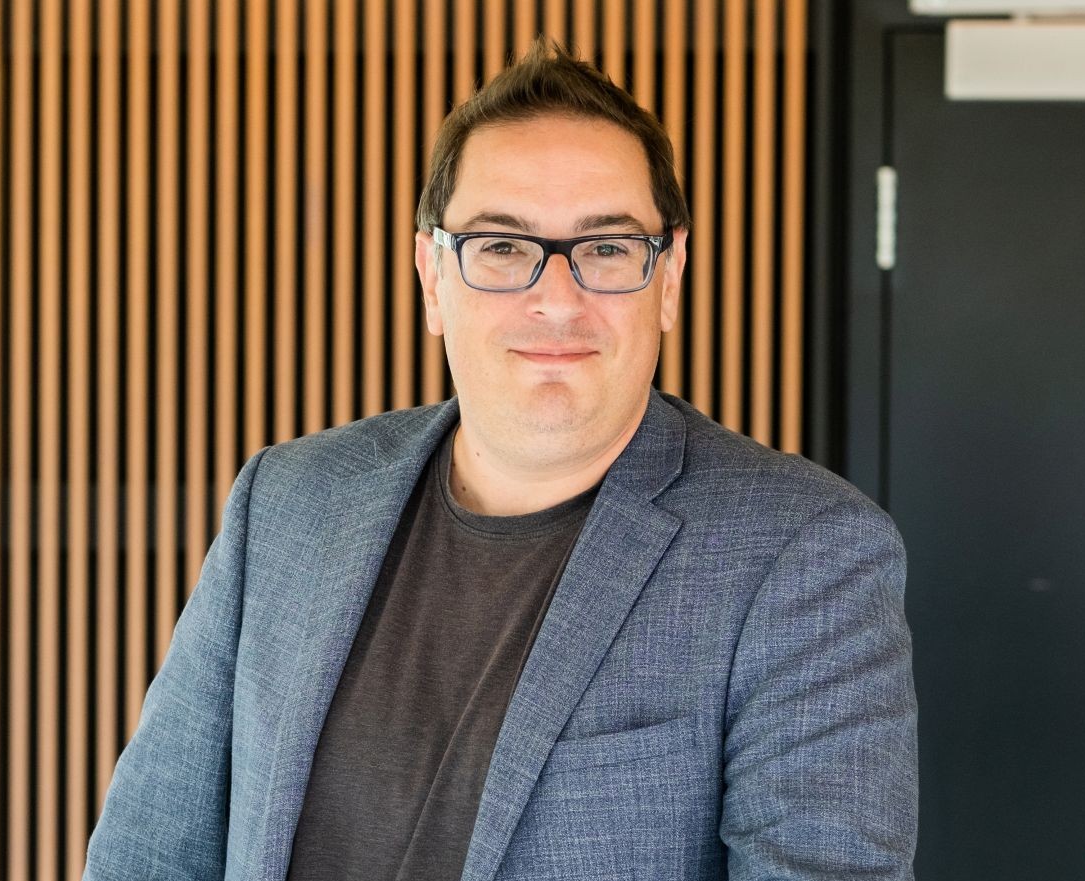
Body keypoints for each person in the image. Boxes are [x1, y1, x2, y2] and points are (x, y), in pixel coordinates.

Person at [83, 39, 917, 881]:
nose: (557, 299)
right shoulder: (288, 502)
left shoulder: (804, 555)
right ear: (431, 274)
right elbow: (147, 854)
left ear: (668, 279)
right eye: (503, 247)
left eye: (607, 248)